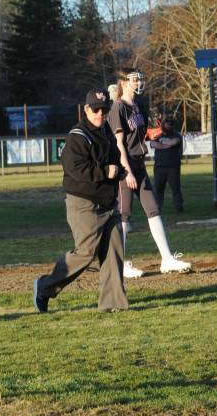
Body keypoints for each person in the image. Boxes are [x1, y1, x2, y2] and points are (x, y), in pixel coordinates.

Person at [34, 89, 128, 312]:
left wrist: (120, 171)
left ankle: (112, 304)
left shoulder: (105, 130)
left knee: (114, 251)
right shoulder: (78, 135)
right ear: (86, 109)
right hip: (84, 203)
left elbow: (113, 160)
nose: (100, 114)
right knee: (86, 252)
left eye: (104, 110)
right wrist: (106, 172)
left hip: (107, 202)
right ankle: (45, 287)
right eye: (95, 109)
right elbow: (74, 169)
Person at [108, 67, 192, 278]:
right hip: (124, 167)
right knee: (124, 215)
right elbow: (118, 144)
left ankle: (166, 259)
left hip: (139, 164)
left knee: (153, 209)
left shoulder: (137, 106)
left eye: (139, 79)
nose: (139, 83)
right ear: (124, 83)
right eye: (134, 80)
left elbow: (140, 136)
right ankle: (119, 263)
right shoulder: (118, 107)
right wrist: (127, 172)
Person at [149, 117, 184, 212]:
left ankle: (179, 207)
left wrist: (162, 144)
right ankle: (157, 208)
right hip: (159, 167)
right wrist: (167, 145)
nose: (169, 126)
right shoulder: (157, 135)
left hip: (173, 167)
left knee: (176, 188)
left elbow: (174, 142)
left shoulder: (177, 135)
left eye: (171, 124)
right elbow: (152, 144)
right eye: (167, 124)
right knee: (158, 189)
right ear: (163, 124)